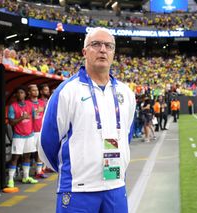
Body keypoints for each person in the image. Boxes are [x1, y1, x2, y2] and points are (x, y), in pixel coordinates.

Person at [39, 27, 136, 213]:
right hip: (78, 189)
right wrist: (73, 169)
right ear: (84, 52)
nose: (103, 50)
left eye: (108, 46)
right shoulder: (66, 91)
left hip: (115, 186)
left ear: (114, 52)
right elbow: (46, 144)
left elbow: (126, 136)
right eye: (96, 44)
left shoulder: (126, 93)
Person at [7, 87, 38, 188]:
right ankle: (10, 179)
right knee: (15, 157)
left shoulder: (30, 105)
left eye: (22, 92)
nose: (21, 94)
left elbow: (33, 118)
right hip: (18, 136)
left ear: (25, 95)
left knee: (27, 156)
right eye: (19, 92)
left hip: (29, 135)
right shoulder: (13, 106)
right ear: (16, 95)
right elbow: (11, 122)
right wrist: (22, 118)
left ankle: (26, 176)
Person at [27, 84, 47, 179]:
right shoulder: (27, 103)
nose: (36, 92)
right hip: (30, 131)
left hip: (40, 131)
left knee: (40, 151)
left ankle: (39, 171)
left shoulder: (42, 102)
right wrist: (36, 112)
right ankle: (26, 173)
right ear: (29, 92)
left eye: (37, 90)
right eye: (33, 90)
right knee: (29, 153)